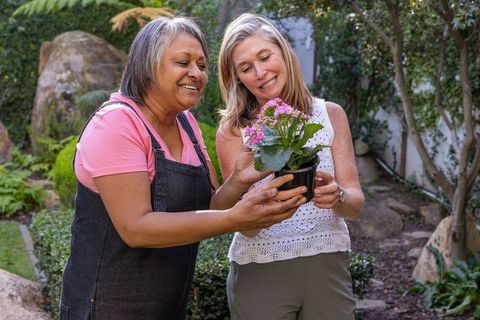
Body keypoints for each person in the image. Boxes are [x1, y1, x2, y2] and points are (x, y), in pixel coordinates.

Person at [60, 16, 307, 320]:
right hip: (107, 307)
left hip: (166, 306)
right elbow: (135, 228)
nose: (196, 73)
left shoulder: (186, 123)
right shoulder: (116, 124)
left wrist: (239, 181)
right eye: (183, 62)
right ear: (148, 66)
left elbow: (209, 206)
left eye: (202, 65)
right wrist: (234, 219)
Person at [216, 13, 365, 320]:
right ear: (237, 78)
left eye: (265, 56)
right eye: (246, 68)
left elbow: (354, 205)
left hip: (328, 262)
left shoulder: (331, 114)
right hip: (260, 268)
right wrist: (261, 208)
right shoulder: (235, 131)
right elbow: (231, 216)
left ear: (283, 52)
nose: (260, 72)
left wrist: (337, 196)